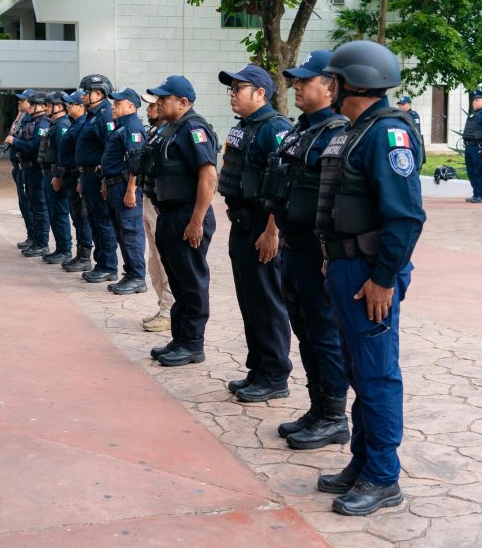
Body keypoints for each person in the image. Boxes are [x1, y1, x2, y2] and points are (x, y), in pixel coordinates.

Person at [314, 41, 425, 516]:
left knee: (377, 374)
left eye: (333, 79)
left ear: (352, 83)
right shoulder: (356, 132)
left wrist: (383, 278)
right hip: (346, 267)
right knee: (358, 370)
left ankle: (382, 477)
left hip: (369, 275)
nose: (327, 86)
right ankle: (362, 462)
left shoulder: (387, 134)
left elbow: (406, 218)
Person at [263, 50, 350, 450]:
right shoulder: (303, 129)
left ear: (331, 87)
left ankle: (333, 416)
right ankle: (318, 407)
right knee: (305, 329)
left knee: (324, 333)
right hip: (294, 248)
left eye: (305, 80)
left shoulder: (337, 133)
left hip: (318, 253)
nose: (296, 86)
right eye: (295, 80)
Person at [217, 64, 294, 403]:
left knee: (267, 304)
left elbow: (283, 184)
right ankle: (259, 369)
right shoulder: (246, 126)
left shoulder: (275, 128)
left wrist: (272, 231)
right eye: (231, 89)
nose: (232, 94)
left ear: (260, 93)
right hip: (243, 226)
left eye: (238, 88)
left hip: (263, 228)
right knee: (250, 304)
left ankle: (275, 375)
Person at [145, 76, 219, 366]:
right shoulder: (171, 129)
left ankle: (192, 344)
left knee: (191, 282)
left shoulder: (194, 129)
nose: (159, 102)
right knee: (177, 281)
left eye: (165, 98)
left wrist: (197, 221)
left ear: (183, 102)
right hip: (169, 214)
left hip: (188, 216)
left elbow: (208, 177)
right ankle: (180, 338)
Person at [102, 88, 148, 294]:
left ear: (130, 106)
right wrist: (105, 182)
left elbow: (136, 162)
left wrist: (131, 189)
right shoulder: (120, 126)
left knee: (131, 232)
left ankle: (138, 277)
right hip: (114, 185)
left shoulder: (132, 127)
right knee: (121, 232)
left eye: (118, 104)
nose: (113, 107)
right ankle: (130, 273)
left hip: (124, 187)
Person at [137, 90, 175, 331]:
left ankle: (169, 311)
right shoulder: (157, 133)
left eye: (154, 105)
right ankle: (163, 305)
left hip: (164, 205)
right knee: (154, 260)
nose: (150, 109)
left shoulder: (176, 133)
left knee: (165, 259)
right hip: (150, 198)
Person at [76, 75, 120, 282]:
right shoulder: (93, 115)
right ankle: (101, 263)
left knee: (103, 221)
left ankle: (108, 266)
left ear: (100, 94)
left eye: (86, 92)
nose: (83, 96)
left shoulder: (105, 115)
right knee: (94, 220)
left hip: (97, 176)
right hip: (87, 176)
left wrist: (103, 178)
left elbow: (110, 148)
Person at [6, 92, 51, 257]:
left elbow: (34, 145)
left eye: (29, 102)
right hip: (24, 168)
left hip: (35, 169)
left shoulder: (43, 123)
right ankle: (35, 239)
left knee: (39, 207)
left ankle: (41, 243)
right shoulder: (28, 119)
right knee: (31, 205)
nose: (24, 104)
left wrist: (15, 141)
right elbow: (16, 133)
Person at [55, 91, 94, 271]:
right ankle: (80, 254)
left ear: (81, 106)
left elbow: (81, 155)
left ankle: (85, 256)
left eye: (71, 104)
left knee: (82, 217)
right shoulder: (75, 124)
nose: (68, 107)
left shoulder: (82, 125)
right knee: (76, 217)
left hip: (75, 176)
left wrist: (79, 179)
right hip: (69, 176)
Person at [39, 92, 74, 263]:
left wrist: (57, 176)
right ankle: (60, 248)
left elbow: (62, 154)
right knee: (54, 213)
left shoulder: (61, 126)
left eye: (49, 105)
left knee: (59, 213)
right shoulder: (55, 125)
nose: (46, 108)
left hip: (55, 176)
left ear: (59, 106)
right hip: (49, 175)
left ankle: (65, 250)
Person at [8, 92, 35, 250]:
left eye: (22, 100)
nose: (19, 102)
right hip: (18, 168)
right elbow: (12, 132)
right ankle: (31, 235)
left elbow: (23, 141)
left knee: (30, 204)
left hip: (27, 167)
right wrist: (18, 115)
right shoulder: (22, 117)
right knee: (23, 204)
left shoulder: (31, 119)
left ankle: (34, 237)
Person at [462, 90, 482, 203]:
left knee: (479, 171)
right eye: (473, 100)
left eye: (477, 100)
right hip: (470, 148)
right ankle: (476, 194)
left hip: (478, 148)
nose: (474, 102)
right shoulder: (473, 114)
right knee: (471, 171)